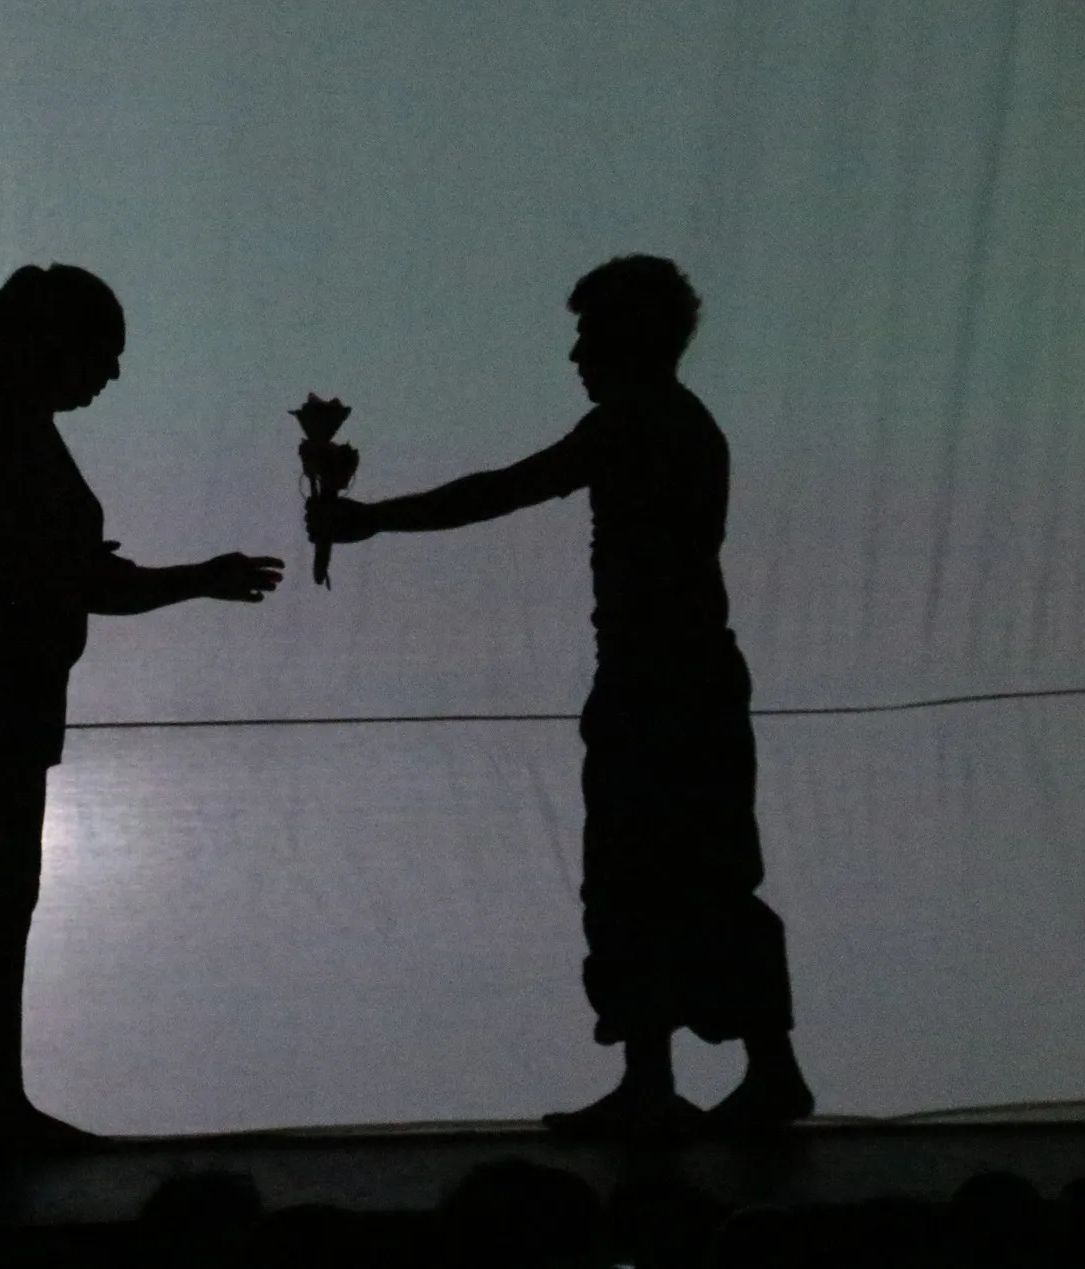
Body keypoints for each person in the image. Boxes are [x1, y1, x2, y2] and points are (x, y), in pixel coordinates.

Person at [308, 255, 812, 1137]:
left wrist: (375, 517)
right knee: (696, 874)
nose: (576, 354)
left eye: (590, 334)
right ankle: (727, 1074)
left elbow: (504, 489)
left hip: (660, 684)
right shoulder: (671, 423)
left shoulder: (637, 424)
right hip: (679, 679)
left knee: (644, 876)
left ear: (631, 338)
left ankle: (677, 1079)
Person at [0, 264, 284, 1153]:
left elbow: (49, 569)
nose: (113, 373)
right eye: (105, 352)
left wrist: (117, 572)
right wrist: (187, 578)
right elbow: (50, 574)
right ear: (54, 345)